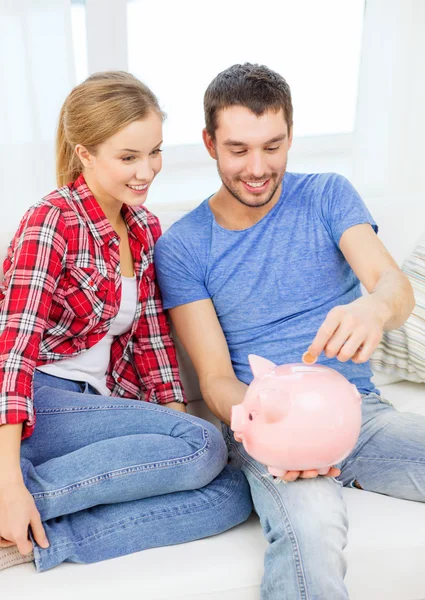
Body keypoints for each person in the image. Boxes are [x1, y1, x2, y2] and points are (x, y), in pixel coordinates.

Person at [154, 63, 425, 599]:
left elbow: (393, 286)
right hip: (269, 430)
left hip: (360, 418)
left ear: (291, 135)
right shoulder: (183, 247)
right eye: (238, 150)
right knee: (314, 529)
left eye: (273, 147)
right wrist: (282, 433)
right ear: (209, 143)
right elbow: (213, 381)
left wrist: (374, 310)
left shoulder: (327, 195)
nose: (257, 168)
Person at [0, 71, 252, 573]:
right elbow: (13, 353)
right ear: (85, 154)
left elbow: (153, 342)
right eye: (128, 157)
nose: (147, 171)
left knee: (232, 487)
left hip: (94, 408)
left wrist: (173, 422)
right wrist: (6, 480)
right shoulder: (52, 221)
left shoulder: (143, 228)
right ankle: (19, 503)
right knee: (204, 443)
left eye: (154, 152)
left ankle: (43, 539)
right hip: (39, 401)